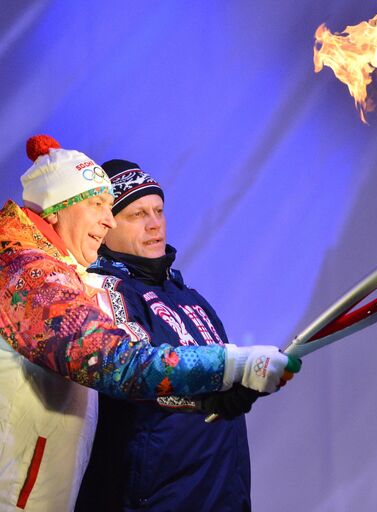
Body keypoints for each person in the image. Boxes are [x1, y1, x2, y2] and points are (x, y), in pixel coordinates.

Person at [0, 136, 298, 511]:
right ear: (58, 208)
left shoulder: (70, 278)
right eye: (97, 205)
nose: (108, 222)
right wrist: (228, 365)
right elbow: (111, 362)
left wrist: (207, 396)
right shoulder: (28, 278)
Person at [74, 160, 285, 511]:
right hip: (156, 500)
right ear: (107, 225)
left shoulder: (190, 297)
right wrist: (227, 377)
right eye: (136, 214)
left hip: (221, 497)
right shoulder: (103, 292)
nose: (154, 223)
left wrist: (245, 378)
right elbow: (138, 379)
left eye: (158, 210)